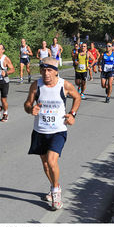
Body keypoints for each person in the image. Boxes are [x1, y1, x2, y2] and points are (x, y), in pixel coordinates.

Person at [24, 57, 81, 210]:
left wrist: (72, 114)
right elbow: (27, 104)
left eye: (49, 70)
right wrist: (31, 109)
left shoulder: (64, 85)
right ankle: (54, 185)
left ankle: (56, 192)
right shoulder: (36, 86)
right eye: (43, 70)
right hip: (40, 131)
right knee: (45, 164)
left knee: (51, 160)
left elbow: (77, 97)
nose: (46, 73)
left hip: (58, 130)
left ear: (56, 72)